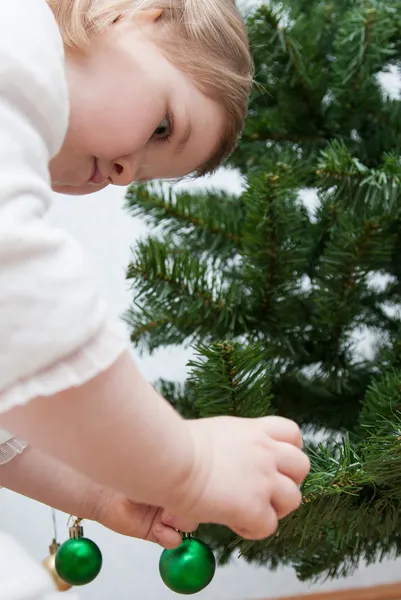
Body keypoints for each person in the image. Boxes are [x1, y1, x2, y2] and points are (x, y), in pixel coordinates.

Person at [0, 0, 310, 597]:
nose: (122, 174)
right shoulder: (17, 38)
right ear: (131, 12)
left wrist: (97, 491)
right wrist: (189, 465)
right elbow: (27, 311)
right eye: (163, 127)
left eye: (143, 174)